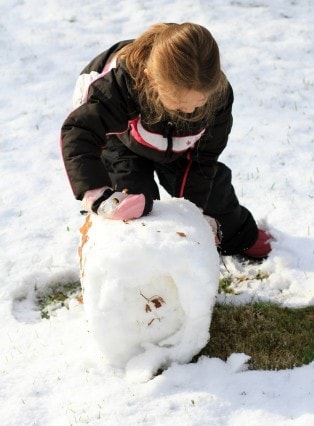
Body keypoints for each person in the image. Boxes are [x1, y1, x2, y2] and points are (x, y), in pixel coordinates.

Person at [61, 22, 273, 258]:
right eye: (180, 103)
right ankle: (143, 267)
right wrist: (96, 192)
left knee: (215, 194)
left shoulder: (218, 95)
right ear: (150, 78)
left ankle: (240, 238)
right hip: (123, 145)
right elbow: (79, 132)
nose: (191, 110)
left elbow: (205, 156)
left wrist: (196, 210)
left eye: (199, 102)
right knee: (135, 208)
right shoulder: (117, 85)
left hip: (184, 148)